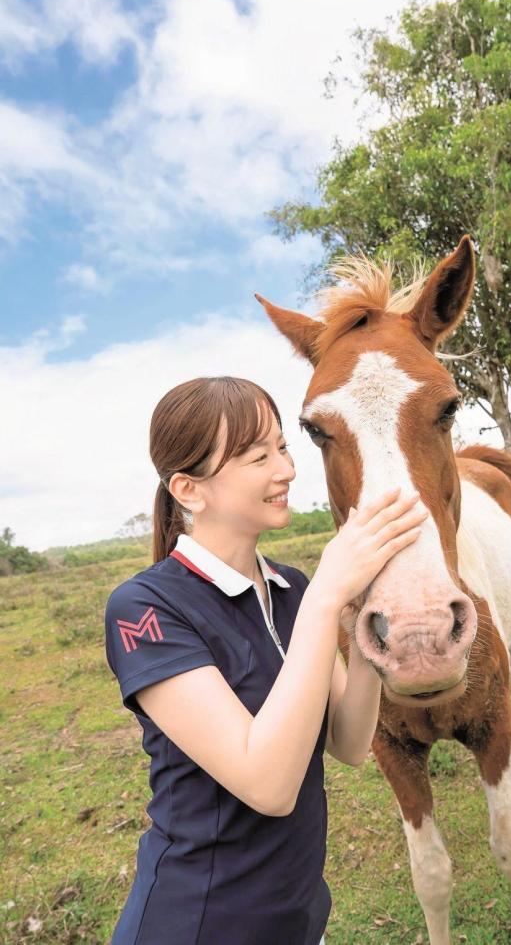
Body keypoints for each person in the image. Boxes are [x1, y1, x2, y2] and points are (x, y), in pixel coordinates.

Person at [104, 375, 428, 945]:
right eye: (258, 456)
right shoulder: (145, 608)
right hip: (201, 923)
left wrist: (362, 630)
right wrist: (328, 597)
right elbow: (268, 784)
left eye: (282, 446)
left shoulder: (292, 589)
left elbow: (350, 744)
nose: (286, 469)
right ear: (189, 489)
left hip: (298, 917)